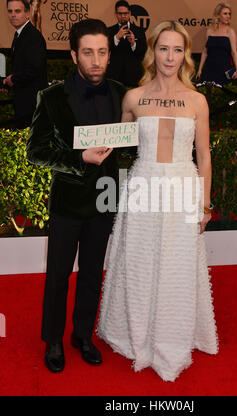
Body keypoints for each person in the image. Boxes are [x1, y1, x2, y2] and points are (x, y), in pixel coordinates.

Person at [97, 20, 219, 382]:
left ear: (186, 55)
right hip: (142, 188)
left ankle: (171, 334)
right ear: (154, 52)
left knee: (176, 265)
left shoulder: (197, 100)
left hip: (182, 189)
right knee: (138, 260)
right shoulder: (134, 97)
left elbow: (204, 156)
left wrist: (205, 204)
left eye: (177, 49)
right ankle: (132, 330)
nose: (170, 56)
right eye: (163, 48)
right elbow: (119, 143)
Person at [27, 18, 126, 373]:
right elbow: (35, 151)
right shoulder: (51, 97)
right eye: (88, 53)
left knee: (92, 273)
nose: (96, 60)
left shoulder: (119, 92)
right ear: (73, 55)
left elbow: (128, 144)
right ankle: (53, 338)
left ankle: (82, 334)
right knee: (58, 273)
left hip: (105, 197)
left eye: (102, 52)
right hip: (68, 201)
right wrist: (77, 158)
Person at [3, 0, 47, 129]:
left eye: (17, 11)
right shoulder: (20, 34)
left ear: (27, 13)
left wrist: (13, 79)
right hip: (23, 101)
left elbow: (34, 69)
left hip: (31, 103)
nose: (13, 15)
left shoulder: (33, 36)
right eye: (10, 11)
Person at [196, 2, 237, 85]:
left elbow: (234, 52)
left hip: (224, 70)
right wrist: (200, 69)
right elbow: (205, 51)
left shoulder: (230, 31)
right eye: (225, 14)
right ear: (218, 15)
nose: (228, 16)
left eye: (229, 14)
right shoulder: (209, 31)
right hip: (209, 69)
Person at [106, 0, 147, 87]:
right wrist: (116, 38)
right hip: (114, 76)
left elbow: (143, 52)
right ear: (116, 14)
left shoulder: (139, 31)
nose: (123, 16)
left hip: (134, 77)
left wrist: (133, 43)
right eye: (120, 14)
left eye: (125, 13)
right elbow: (105, 50)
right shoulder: (109, 31)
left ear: (129, 13)